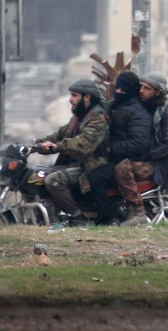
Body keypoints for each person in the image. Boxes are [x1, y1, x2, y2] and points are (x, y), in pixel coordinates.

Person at [36, 80, 110, 226]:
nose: (70, 99)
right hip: (75, 165)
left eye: (74, 95)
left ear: (87, 97)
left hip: (91, 166)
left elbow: (84, 145)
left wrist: (56, 147)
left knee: (53, 180)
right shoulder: (78, 117)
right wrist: (36, 144)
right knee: (38, 174)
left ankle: (79, 218)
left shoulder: (99, 118)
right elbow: (60, 134)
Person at [85, 71, 153, 225]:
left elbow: (138, 143)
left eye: (123, 90)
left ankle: (110, 218)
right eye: (117, 89)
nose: (119, 93)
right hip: (111, 157)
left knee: (96, 179)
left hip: (125, 160)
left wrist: (111, 149)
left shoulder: (138, 113)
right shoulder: (113, 106)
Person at [115, 72, 168, 227]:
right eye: (141, 87)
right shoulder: (142, 108)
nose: (141, 91)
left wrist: (146, 155)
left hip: (161, 163)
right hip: (147, 159)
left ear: (157, 92)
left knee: (123, 168)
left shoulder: (166, 113)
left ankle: (137, 213)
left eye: (147, 88)